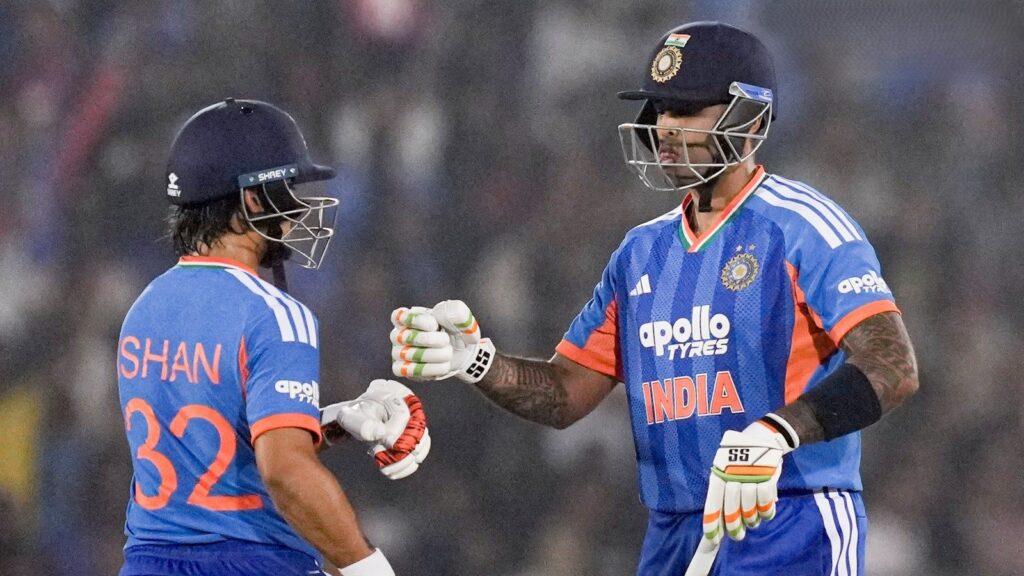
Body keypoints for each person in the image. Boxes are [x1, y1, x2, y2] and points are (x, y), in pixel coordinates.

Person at [387, 21, 918, 576]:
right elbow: (567, 394)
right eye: (661, 109)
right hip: (673, 530)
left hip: (790, 519)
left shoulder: (805, 227)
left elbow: (892, 366)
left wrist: (777, 433)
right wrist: (477, 362)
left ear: (752, 120)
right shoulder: (640, 252)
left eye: (686, 110)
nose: (664, 127)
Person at [117, 98, 429, 576]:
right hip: (252, 563)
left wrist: (333, 422)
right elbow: (283, 471)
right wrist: (368, 568)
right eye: (286, 189)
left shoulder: (143, 310)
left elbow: (217, 450)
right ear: (253, 200)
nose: (298, 209)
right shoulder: (275, 314)